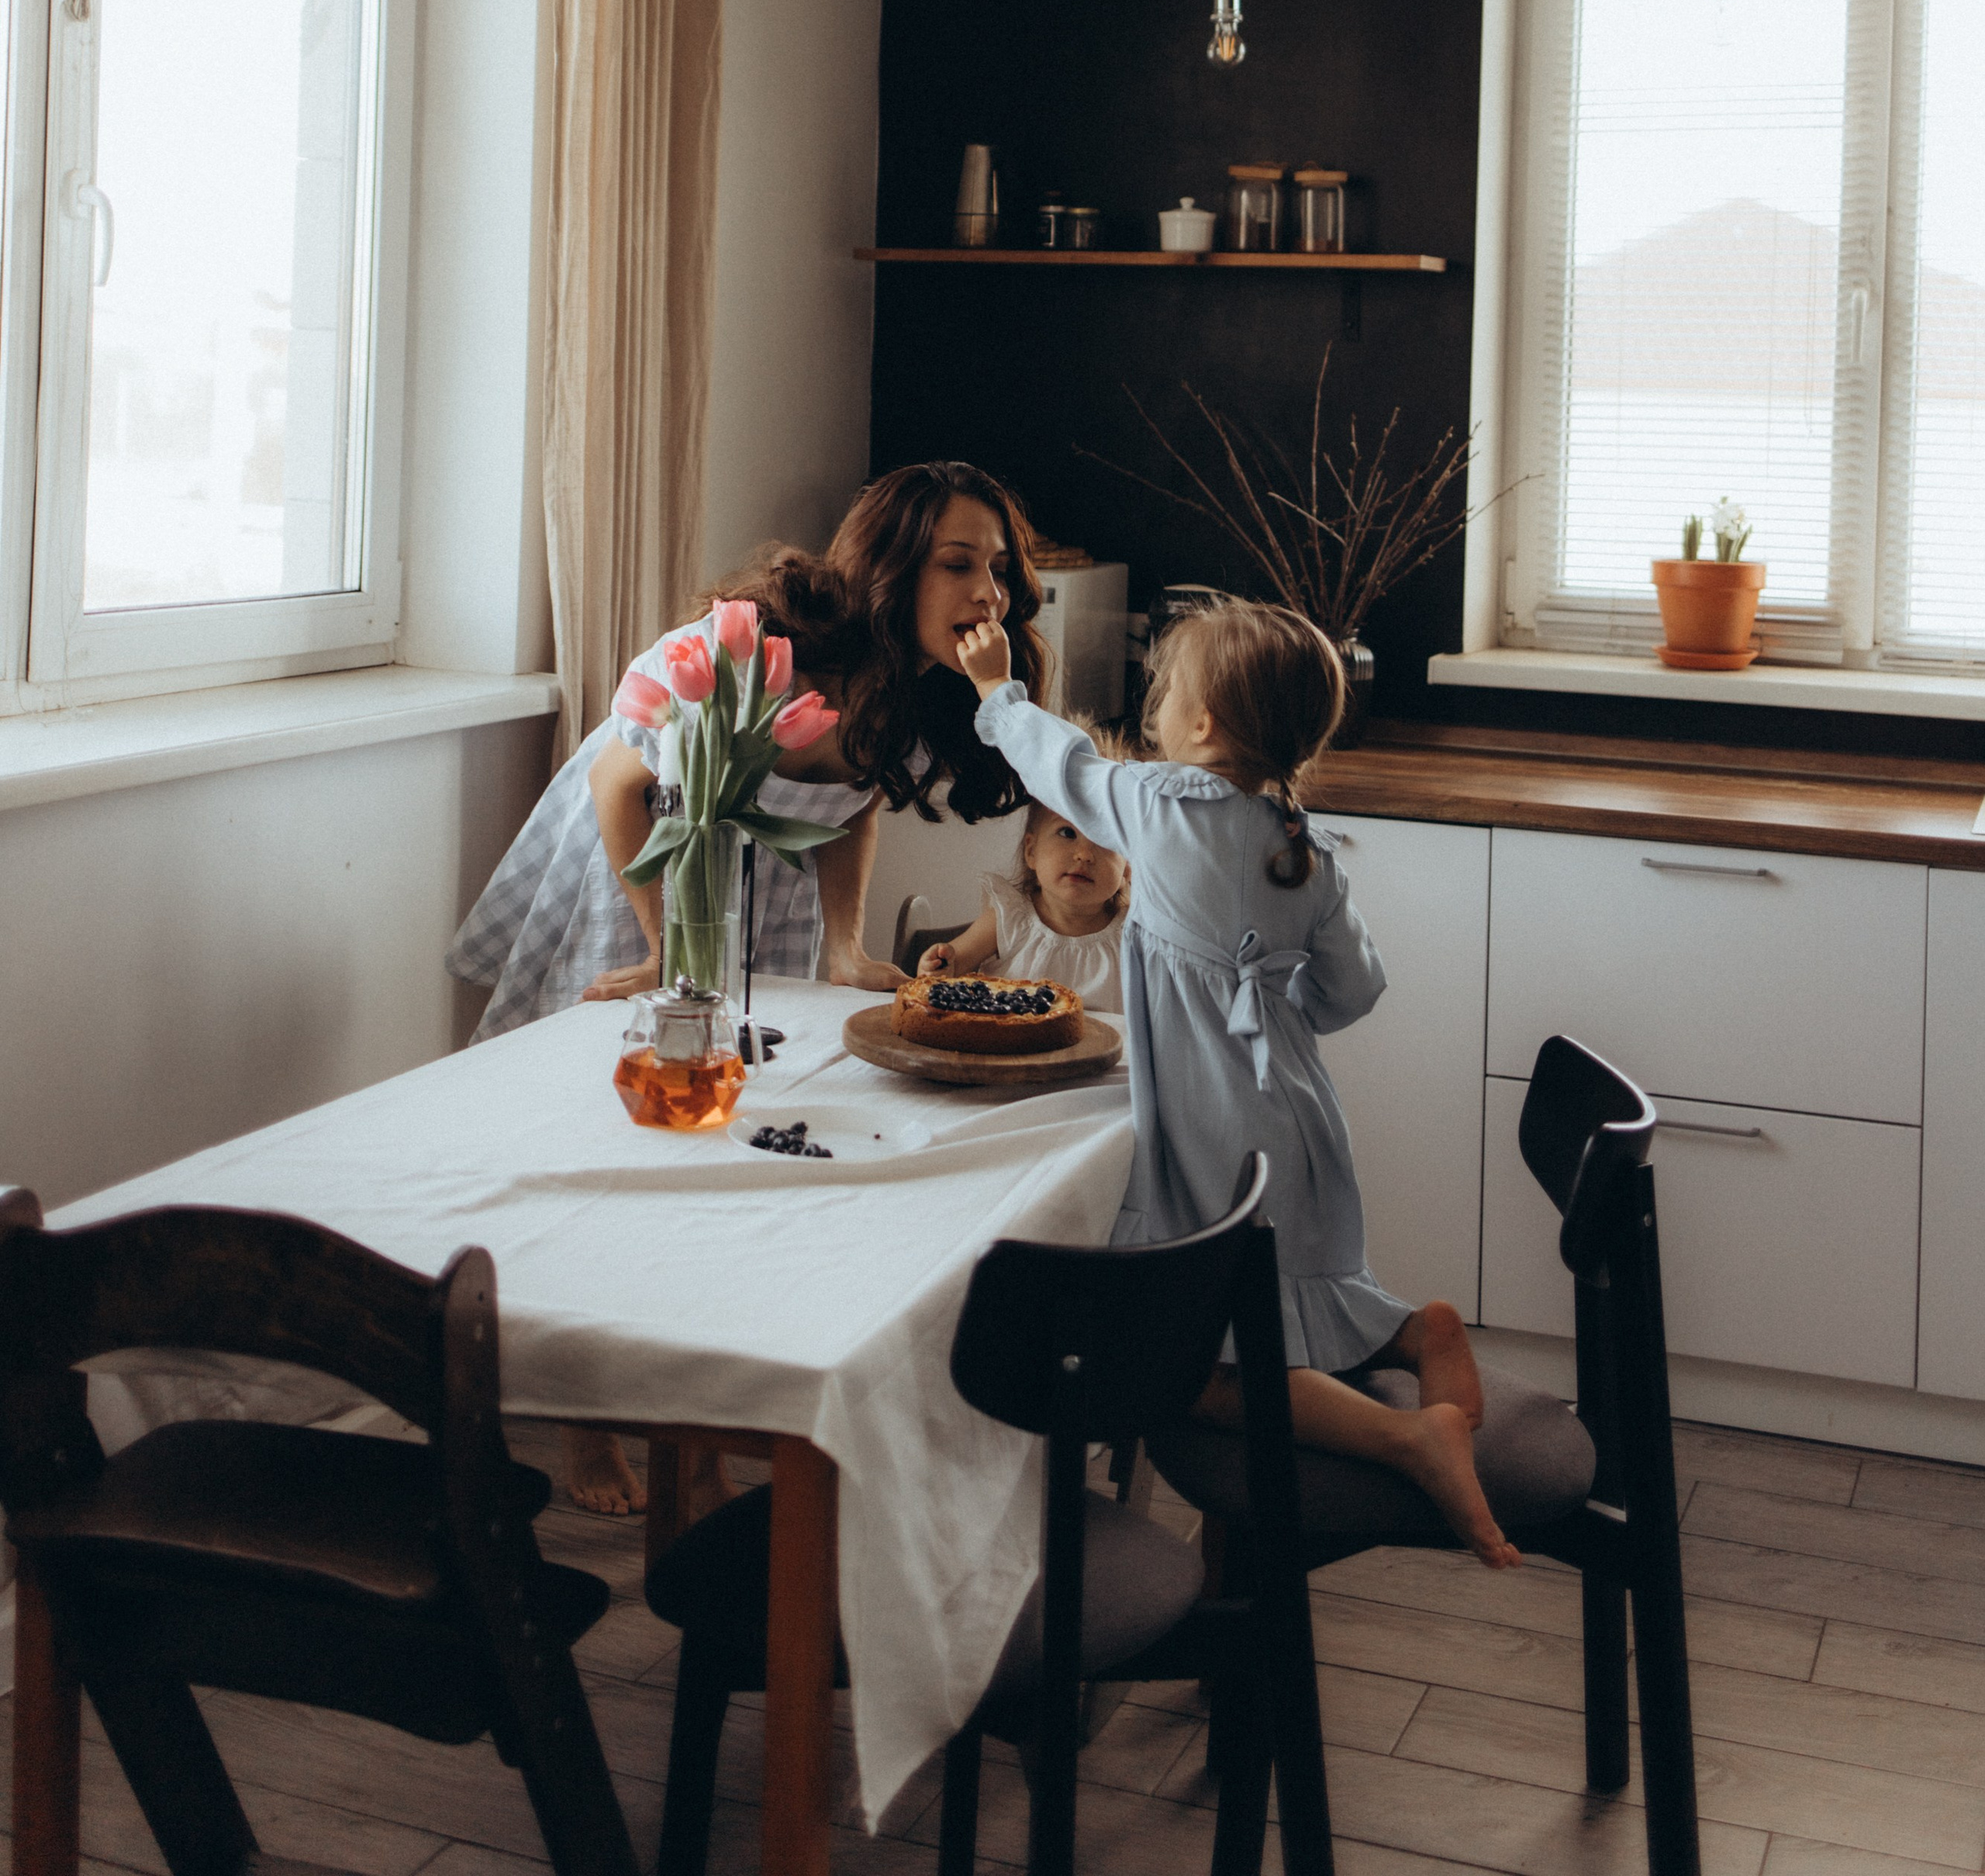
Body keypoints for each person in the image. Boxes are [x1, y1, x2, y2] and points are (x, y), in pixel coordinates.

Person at [446, 460, 1051, 1509]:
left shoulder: (918, 678)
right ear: (893, 564)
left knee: (727, 1150)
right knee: (624, 1156)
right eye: (959, 563)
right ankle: (588, 1427)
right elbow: (620, 783)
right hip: (647, 869)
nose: (988, 592)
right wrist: (666, 954)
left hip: (757, 898)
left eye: (998, 569)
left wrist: (844, 945)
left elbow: (859, 797)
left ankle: (700, 1415)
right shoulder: (755, 647)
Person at [957, 596, 1517, 1567]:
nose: (1155, 714)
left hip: (1215, 1130)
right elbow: (1356, 988)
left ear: (1203, 726)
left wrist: (993, 688)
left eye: (1164, 695)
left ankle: (1406, 1438)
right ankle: (1409, 1334)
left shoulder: (1164, 807)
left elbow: (1062, 765)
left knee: (1192, 1360)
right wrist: (1270, 999)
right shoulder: (1304, 847)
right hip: (1296, 1111)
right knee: (1283, 1307)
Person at [920, 733, 1130, 1011]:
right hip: (1012, 1049)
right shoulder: (1011, 918)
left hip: (1103, 1053)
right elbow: (954, 964)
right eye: (1067, 832)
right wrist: (939, 966)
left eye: (1105, 840)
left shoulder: (1134, 933)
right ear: (1031, 851)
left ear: (1127, 867)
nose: (1084, 854)